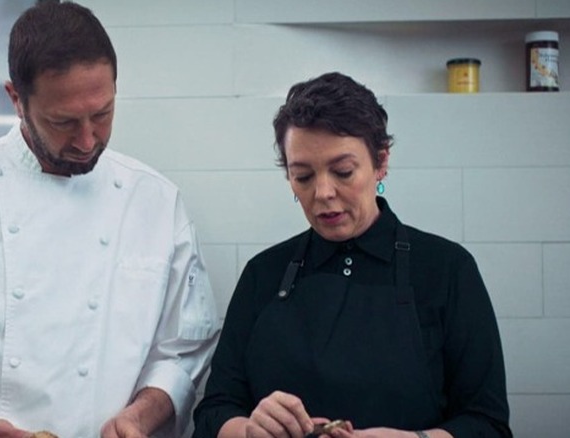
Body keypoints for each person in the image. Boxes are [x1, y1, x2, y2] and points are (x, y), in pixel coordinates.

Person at [0, 2, 219, 438]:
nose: (89, 139)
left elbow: (184, 349)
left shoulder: (156, 202)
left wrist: (136, 419)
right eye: (64, 122)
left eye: (103, 113)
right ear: (16, 99)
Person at [192, 72, 511, 438]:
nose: (323, 192)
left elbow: (488, 425)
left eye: (343, 171)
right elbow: (212, 414)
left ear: (381, 162)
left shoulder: (447, 269)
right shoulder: (262, 275)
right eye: (303, 176)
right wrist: (250, 428)